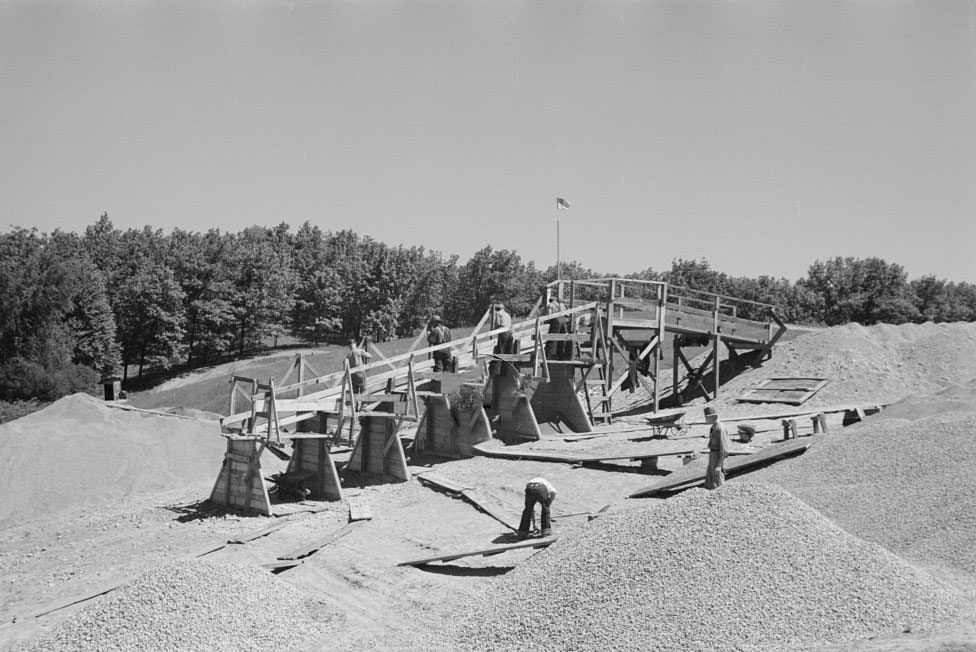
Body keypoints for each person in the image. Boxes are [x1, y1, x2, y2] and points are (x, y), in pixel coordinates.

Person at [704, 406, 731, 490]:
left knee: (718, 481)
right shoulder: (714, 427)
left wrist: (719, 465)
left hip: (717, 456)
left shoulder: (720, 428)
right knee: (711, 480)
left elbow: (724, 449)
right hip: (713, 455)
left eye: (706, 417)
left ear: (712, 417)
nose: (706, 420)